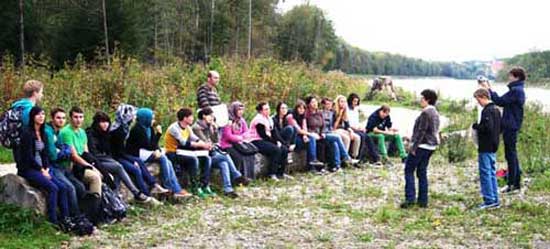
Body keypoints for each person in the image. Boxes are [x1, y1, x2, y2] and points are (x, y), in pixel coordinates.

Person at [86, 111, 157, 204]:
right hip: (97, 162)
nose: (105, 124)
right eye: (102, 122)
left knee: (120, 172)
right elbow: (95, 154)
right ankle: (138, 193)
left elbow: (110, 151)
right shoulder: (93, 134)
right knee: (121, 167)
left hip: (110, 159)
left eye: (106, 122)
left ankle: (115, 201)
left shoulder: (106, 133)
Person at [17, 106, 70, 225]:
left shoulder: (43, 133)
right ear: (33, 117)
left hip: (42, 168)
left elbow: (45, 154)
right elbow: (29, 157)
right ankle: (53, 221)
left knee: (63, 187)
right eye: (38, 114)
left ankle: (66, 218)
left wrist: (46, 168)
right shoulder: (27, 133)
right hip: (29, 169)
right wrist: (41, 170)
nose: (41, 117)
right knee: (53, 188)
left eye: (43, 114)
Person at [126, 108, 192, 198]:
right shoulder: (137, 130)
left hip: (146, 151)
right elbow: (149, 146)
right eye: (151, 118)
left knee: (167, 161)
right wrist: (159, 135)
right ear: (145, 118)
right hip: (137, 153)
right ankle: (170, 187)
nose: (153, 120)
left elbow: (154, 145)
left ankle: (176, 188)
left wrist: (157, 149)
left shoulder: (148, 128)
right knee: (163, 158)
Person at [481, 67, 526, 194]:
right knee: (512, 154)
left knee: (510, 155)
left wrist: (488, 89)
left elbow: (500, 101)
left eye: (510, 76)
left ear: (516, 77)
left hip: (510, 126)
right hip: (512, 125)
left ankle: (513, 184)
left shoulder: (516, 91)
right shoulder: (517, 90)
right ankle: (515, 183)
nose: (509, 78)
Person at [109, 104, 169, 197]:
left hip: (124, 155)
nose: (134, 118)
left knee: (142, 161)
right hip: (116, 157)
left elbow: (153, 145)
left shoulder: (126, 128)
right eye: (132, 116)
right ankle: (145, 195)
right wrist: (132, 160)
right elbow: (118, 152)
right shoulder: (122, 131)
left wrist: (157, 146)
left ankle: (154, 185)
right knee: (136, 169)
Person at [192, 107, 251, 198]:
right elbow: (205, 142)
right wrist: (211, 143)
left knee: (224, 163)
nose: (212, 118)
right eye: (210, 115)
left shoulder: (209, 126)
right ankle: (237, 176)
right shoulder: (197, 127)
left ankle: (228, 189)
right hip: (202, 154)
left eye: (212, 116)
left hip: (210, 153)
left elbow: (216, 141)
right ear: (203, 116)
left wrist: (215, 129)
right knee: (225, 156)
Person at [400, 89, 440, 209]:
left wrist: (413, 147)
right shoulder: (435, 112)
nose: (420, 100)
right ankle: (423, 200)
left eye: (422, 98)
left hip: (422, 145)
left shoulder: (425, 113)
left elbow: (421, 131)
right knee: (422, 171)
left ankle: (410, 198)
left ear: (427, 99)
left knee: (409, 170)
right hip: (431, 145)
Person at [164, 108, 214, 199]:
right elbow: (184, 142)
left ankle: (204, 185)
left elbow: (194, 138)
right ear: (185, 118)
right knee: (193, 160)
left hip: (183, 151)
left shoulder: (187, 127)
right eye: (191, 116)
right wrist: (200, 145)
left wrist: (205, 145)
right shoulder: (174, 128)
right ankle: (195, 187)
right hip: (173, 152)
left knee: (206, 158)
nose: (192, 118)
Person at [45, 107, 81, 216]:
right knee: (69, 188)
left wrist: (63, 151)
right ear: (52, 118)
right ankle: (75, 217)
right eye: (58, 118)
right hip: (51, 166)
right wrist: (64, 152)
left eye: (63, 118)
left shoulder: (59, 132)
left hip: (62, 166)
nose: (61, 120)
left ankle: (85, 213)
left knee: (80, 187)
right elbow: (53, 155)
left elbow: (65, 149)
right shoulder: (48, 132)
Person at [59, 107, 103, 198]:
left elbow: (86, 153)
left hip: (82, 163)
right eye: (76, 117)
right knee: (95, 177)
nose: (78, 120)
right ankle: (95, 208)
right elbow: (74, 156)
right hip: (73, 165)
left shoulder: (82, 132)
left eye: (81, 117)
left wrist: (93, 165)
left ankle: (111, 204)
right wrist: (90, 166)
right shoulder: (66, 132)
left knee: (107, 175)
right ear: (70, 118)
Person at [472, 88, 501, 209]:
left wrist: (476, 127)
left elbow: (487, 128)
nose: (478, 102)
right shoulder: (497, 110)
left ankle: (489, 200)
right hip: (494, 145)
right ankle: (495, 198)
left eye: (478, 99)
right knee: (492, 173)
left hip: (486, 146)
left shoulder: (487, 111)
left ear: (483, 97)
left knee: (485, 172)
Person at [248, 102, 292, 181]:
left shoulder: (269, 119)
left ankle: (281, 173)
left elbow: (274, 133)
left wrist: (281, 142)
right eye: (266, 109)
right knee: (276, 150)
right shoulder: (258, 119)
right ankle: (272, 173)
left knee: (284, 149)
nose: (268, 111)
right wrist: (275, 143)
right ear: (261, 111)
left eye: (268, 109)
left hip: (266, 139)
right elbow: (263, 135)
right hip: (256, 140)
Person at [319, 97, 359, 171]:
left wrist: (350, 130)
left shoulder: (331, 113)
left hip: (330, 132)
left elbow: (347, 124)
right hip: (325, 133)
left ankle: (337, 166)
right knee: (338, 137)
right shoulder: (321, 113)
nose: (329, 106)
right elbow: (323, 125)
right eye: (327, 104)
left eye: (330, 104)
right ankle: (346, 158)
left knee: (335, 143)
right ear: (323, 105)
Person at [220, 101, 257, 178]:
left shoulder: (241, 120)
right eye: (239, 110)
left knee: (249, 155)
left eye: (242, 110)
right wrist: (240, 138)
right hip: (228, 144)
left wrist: (241, 137)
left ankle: (248, 177)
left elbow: (247, 132)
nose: (241, 112)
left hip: (239, 143)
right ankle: (237, 178)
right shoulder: (228, 121)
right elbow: (228, 136)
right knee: (238, 157)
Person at [11, 80, 44, 166]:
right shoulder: (29, 109)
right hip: (26, 145)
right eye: (41, 92)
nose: (42, 95)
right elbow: (30, 128)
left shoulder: (17, 106)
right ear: (35, 93)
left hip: (16, 141)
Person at [347, 93, 381, 165]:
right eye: (354, 101)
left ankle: (376, 157)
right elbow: (348, 122)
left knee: (367, 136)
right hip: (350, 128)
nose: (355, 103)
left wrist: (361, 127)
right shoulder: (347, 109)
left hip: (356, 128)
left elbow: (356, 121)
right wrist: (355, 128)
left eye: (357, 101)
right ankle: (357, 157)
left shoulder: (356, 109)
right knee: (362, 136)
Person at [292, 100, 324, 172]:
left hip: (301, 136)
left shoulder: (303, 117)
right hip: (294, 139)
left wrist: (305, 136)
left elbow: (304, 127)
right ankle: (313, 162)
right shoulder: (291, 117)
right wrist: (309, 134)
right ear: (296, 108)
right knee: (312, 137)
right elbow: (298, 129)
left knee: (312, 140)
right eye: (300, 108)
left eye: (303, 108)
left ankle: (312, 165)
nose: (301, 110)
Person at [333, 95, 361, 160]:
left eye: (344, 102)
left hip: (342, 130)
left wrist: (350, 131)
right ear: (338, 102)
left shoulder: (345, 111)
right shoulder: (334, 111)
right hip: (335, 130)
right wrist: (340, 115)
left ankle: (354, 156)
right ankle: (344, 158)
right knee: (346, 138)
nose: (343, 103)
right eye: (341, 102)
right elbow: (334, 127)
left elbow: (347, 125)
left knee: (357, 137)